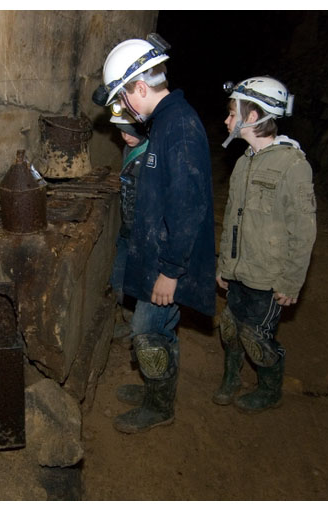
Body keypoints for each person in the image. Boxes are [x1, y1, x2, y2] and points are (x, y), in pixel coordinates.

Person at [97, 34, 215, 433]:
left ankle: (159, 406)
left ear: (140, 88)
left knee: (147, 331)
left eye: (123, 96)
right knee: (159, 330)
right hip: (158, 253)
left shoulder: (178, 128)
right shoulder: (165, 122)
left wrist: (170, 270)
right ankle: (156, 389)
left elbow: (187, 208)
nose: (125, 106)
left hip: (168, 261)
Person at [215, 76, 317, 412]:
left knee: (257, 336)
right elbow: (232, 219)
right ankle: (231, 378)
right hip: (239, 270)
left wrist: (291, 281)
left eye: (233, 114)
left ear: (253, 116)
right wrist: (224, 265)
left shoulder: (293, 165)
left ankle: (270, 389)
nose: (227, 120)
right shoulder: (243, 162)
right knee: (231, 328)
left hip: (268, 276)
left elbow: (304, 231)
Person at [108, 106, 148, 339]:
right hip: (127, 227)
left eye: (130, 131)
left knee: (137, 281)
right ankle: (127, 317)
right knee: (119, 277)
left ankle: (137, 326)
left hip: (142, 232)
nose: (125, 136)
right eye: (121, 131)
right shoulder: (129, 149)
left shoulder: (151, 155)